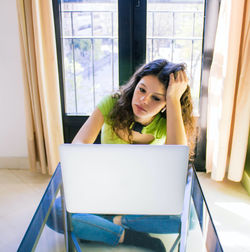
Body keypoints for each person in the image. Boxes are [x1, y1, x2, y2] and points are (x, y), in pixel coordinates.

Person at [47, 59, 197, 252]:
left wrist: (174, 99)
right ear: (135, 85)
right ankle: (130, 235)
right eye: (142, 90)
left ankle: (108, 223)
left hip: (144, 196)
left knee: (190, 219)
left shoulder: (165, 121)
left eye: (156, 98)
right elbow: (79, 146)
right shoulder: (112, 102)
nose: (144, 100)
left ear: (166, 103)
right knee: (55, 211)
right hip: (104, 189)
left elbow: (177, 161)